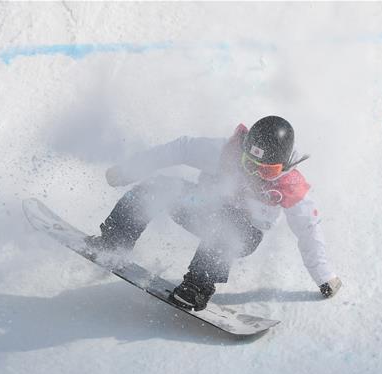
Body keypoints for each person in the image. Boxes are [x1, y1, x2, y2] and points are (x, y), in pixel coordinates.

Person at [85, 116, 342, 310]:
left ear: (283, 166)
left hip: (243, 233)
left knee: (229, 227)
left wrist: (325, 277)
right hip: (202, 207)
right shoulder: (225, 152)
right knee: (159, 188)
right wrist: (130, 169)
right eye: (248, 164)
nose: (254, 173)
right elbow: (180, 149)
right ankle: (114, 241)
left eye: (266, 171)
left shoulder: (289, 188)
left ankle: (197, 285)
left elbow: (309, 231)